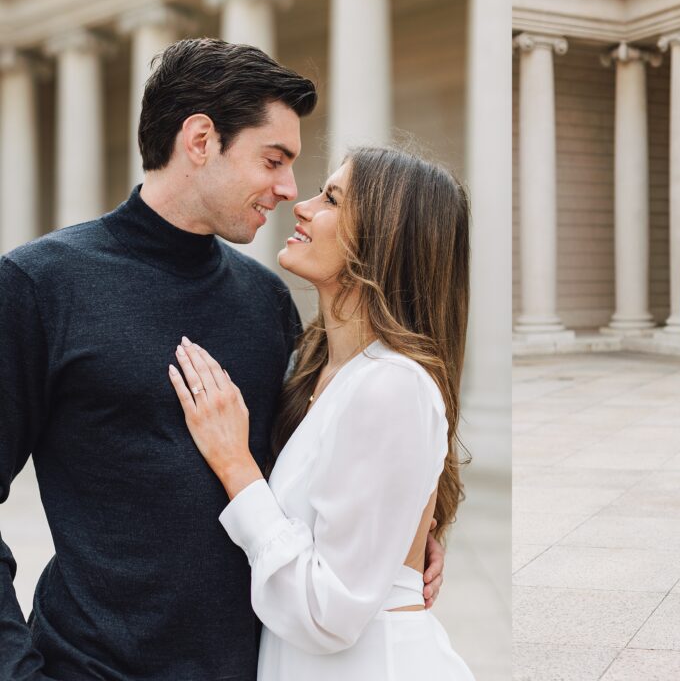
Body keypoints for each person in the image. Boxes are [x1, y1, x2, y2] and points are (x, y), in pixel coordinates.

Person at [0, 39, 443, 681]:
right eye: (274, 159)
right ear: (201, 139)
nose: (288, 189)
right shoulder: (39, 286)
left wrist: (406, 531)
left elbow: (316, 463)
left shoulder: (266, 301)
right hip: (87, 666)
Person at [167, 147, 474, 679]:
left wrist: (236, 465)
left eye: (331, 198)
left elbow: (326, 615)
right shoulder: (316, 369)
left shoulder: (392, 385)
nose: (300, 206)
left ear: (384, 235)